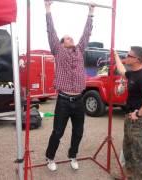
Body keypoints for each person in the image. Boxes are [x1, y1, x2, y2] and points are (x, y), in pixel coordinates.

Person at [44, 0, 95, 171]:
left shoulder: (80, 49)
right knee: (58, 132)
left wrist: (91, 12)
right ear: (61, 43)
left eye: (70, 37)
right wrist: (48, 9)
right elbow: (51, 32)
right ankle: (50, 157)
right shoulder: (58, 50)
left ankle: (72, 155)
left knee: (78, 132)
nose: (70, 38)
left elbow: (86, 33)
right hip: (64, 100)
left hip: (79, 99)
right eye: (67, 38)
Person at [114, 46, 142, 180]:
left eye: (129, 55)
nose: (126, 57)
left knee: (141, 154)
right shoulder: (132, 72)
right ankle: (131, 177)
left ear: (137, 60)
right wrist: (115, 54)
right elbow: (121, 70)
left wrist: (138, 114)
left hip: (138, 121)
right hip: (130, 119)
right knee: (128, 152)